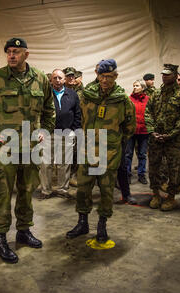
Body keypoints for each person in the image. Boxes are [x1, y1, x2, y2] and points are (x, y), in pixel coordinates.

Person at [0, 37, 55, 263]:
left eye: (16, 51)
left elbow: (49, 109)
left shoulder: (40, 78)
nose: (11, 55)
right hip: (5, 148)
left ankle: (24, 230)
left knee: (27, 190)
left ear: (26, 54)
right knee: (2, 193)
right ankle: (1, 238)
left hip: (30, 147)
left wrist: (45, 131)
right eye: (8, 51)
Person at [66, 59, 136, 243]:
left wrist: (114, 142)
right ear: (97, 76)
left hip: (109, 154)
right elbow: (80, 118)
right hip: (87, 151)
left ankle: (102, 225)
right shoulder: (88, 96)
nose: (105, 80)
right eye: (102, 76)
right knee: (83, 190)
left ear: (116, 76)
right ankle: (82, 223)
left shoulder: (122, 101)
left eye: (109, 77)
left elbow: (129, 127)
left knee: (106, 191)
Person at [145, 64, 180, 211]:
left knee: (174, 169)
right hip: (156, 139)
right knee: (154, 167)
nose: (164, 77)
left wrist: (170, 134)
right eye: (163, 74)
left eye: (168, 74)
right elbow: (148, 113)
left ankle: (171, 197)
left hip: (174, 140)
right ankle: (156, 194)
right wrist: (152, 131)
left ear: (175, 75)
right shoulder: (156, 94)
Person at [38, 69, 81, 199]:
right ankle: (46, 190)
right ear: (51, 79)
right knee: (46, 164)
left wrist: (75, 130)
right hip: (48, 134)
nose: (57, 80)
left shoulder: (72, 94)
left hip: (66, 133)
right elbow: (38, 113)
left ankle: (63, 189)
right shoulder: (44, 94)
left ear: (64, 80)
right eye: (55, 78)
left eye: (60, 78)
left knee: (64, 163)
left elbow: (77, 114)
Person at [125, 80, 149, 185]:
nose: (135, 87)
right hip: (131, 131)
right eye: (134, 85)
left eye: (137, 86)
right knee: (128, 154)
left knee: (142, 154)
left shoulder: (148, 100)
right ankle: (127, 174)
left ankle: (141, 174)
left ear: (142, 88)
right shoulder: (129, 99)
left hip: (144, 131)